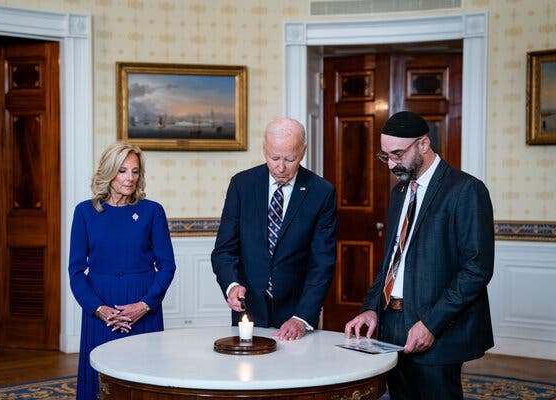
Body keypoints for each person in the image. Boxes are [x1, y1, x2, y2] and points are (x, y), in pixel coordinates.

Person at [344, 111, 494, 399]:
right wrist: (371, 308)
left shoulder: (466, 190)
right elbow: (391, 262)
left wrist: (431, 324)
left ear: (423, 144)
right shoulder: (400, 192)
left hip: (436, 327)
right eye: (385, 156)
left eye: (397, 154)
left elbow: (476, 269)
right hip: (392, 325)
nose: (391, 164)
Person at [211, 117, 337, 341]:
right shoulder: (242, 185)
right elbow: (224, 250)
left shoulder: (321, 192)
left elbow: (322, 263)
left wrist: (302, 317)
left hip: (296, 313)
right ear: (264, 150)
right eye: (274, 157)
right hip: (248, 310)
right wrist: (231, 285)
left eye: (290, 159)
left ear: (303, 151)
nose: (280, 167)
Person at [68, 141, 176, 400]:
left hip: (143, 305)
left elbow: (167, 265)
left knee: (142, 377)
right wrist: (99, 309)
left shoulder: (152, 211)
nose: (130, 178)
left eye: (135, 171)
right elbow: (75, 270)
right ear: (108, 172)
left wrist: (145, 305)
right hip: (101, 307)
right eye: (122, 171)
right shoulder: (85, 212)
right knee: (100, 382)